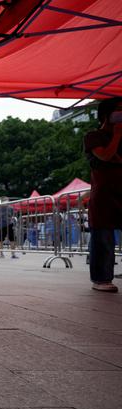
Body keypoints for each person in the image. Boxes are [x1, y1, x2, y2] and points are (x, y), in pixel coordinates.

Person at [84, 97, 122, 293]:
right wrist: (116, 136)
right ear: (106, 114)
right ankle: (101, 278)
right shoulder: (93, 136)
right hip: (104, 195)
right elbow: (106, 155)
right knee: (103, 237)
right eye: (118, 110)